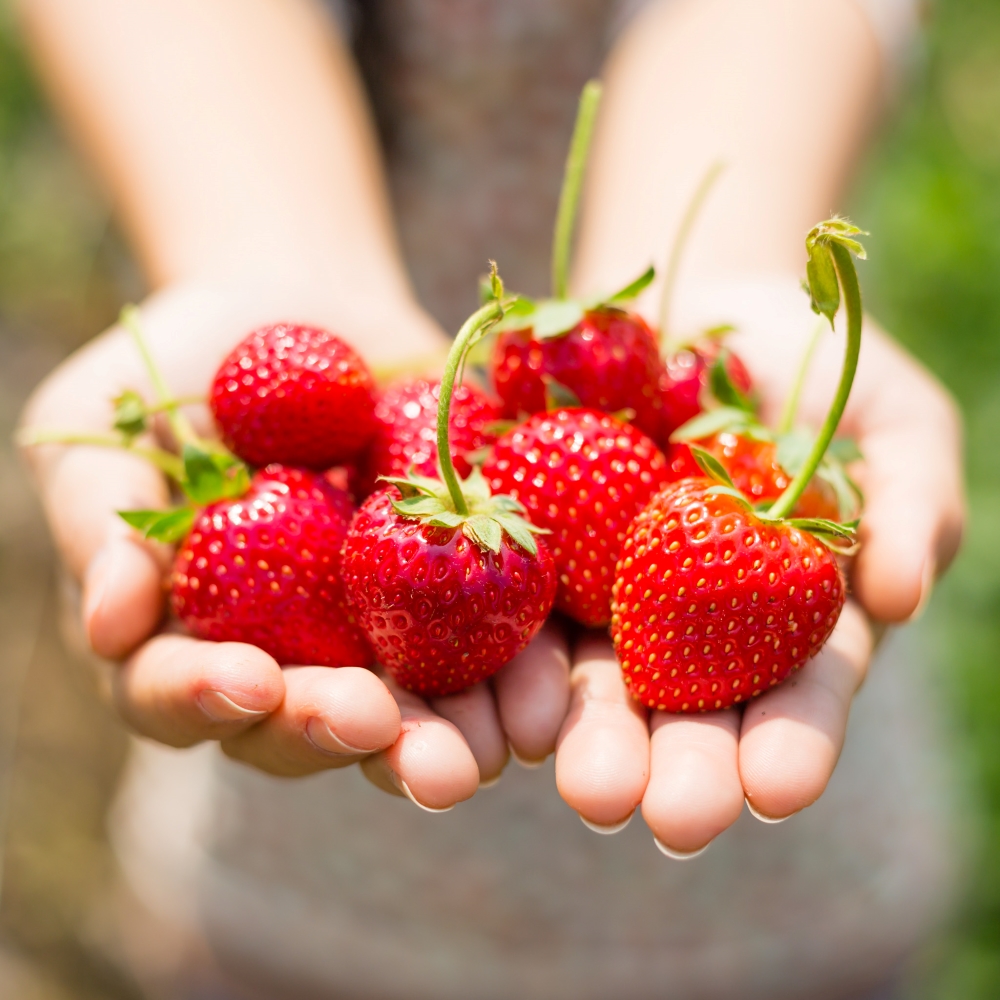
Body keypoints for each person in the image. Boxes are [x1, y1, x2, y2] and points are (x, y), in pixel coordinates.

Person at [16, 1, 966, 997]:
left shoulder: (720, 497)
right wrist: (262, 261)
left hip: (773, 904)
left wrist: (732, 260)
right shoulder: (423, 496)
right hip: (298, 892)